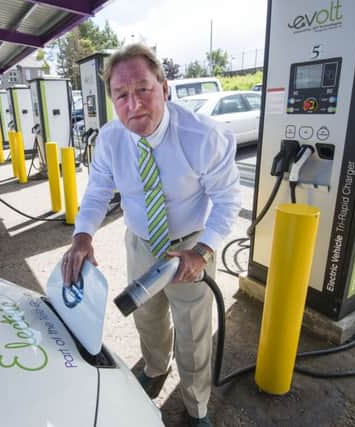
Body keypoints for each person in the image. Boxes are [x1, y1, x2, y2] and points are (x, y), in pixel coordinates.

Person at [61, 43, 241, 427]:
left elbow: (228, 202)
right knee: (147, 317)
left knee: (194, 333)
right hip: (141, 242)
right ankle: (156, 369)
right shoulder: (110, 140)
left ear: (164, 85)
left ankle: (196, 407)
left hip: (190, 246)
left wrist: (203, 252)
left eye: (143, 88)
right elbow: (96, 193)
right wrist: (82, 236)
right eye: (120, 95)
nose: (133, 104)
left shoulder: (204, 136)